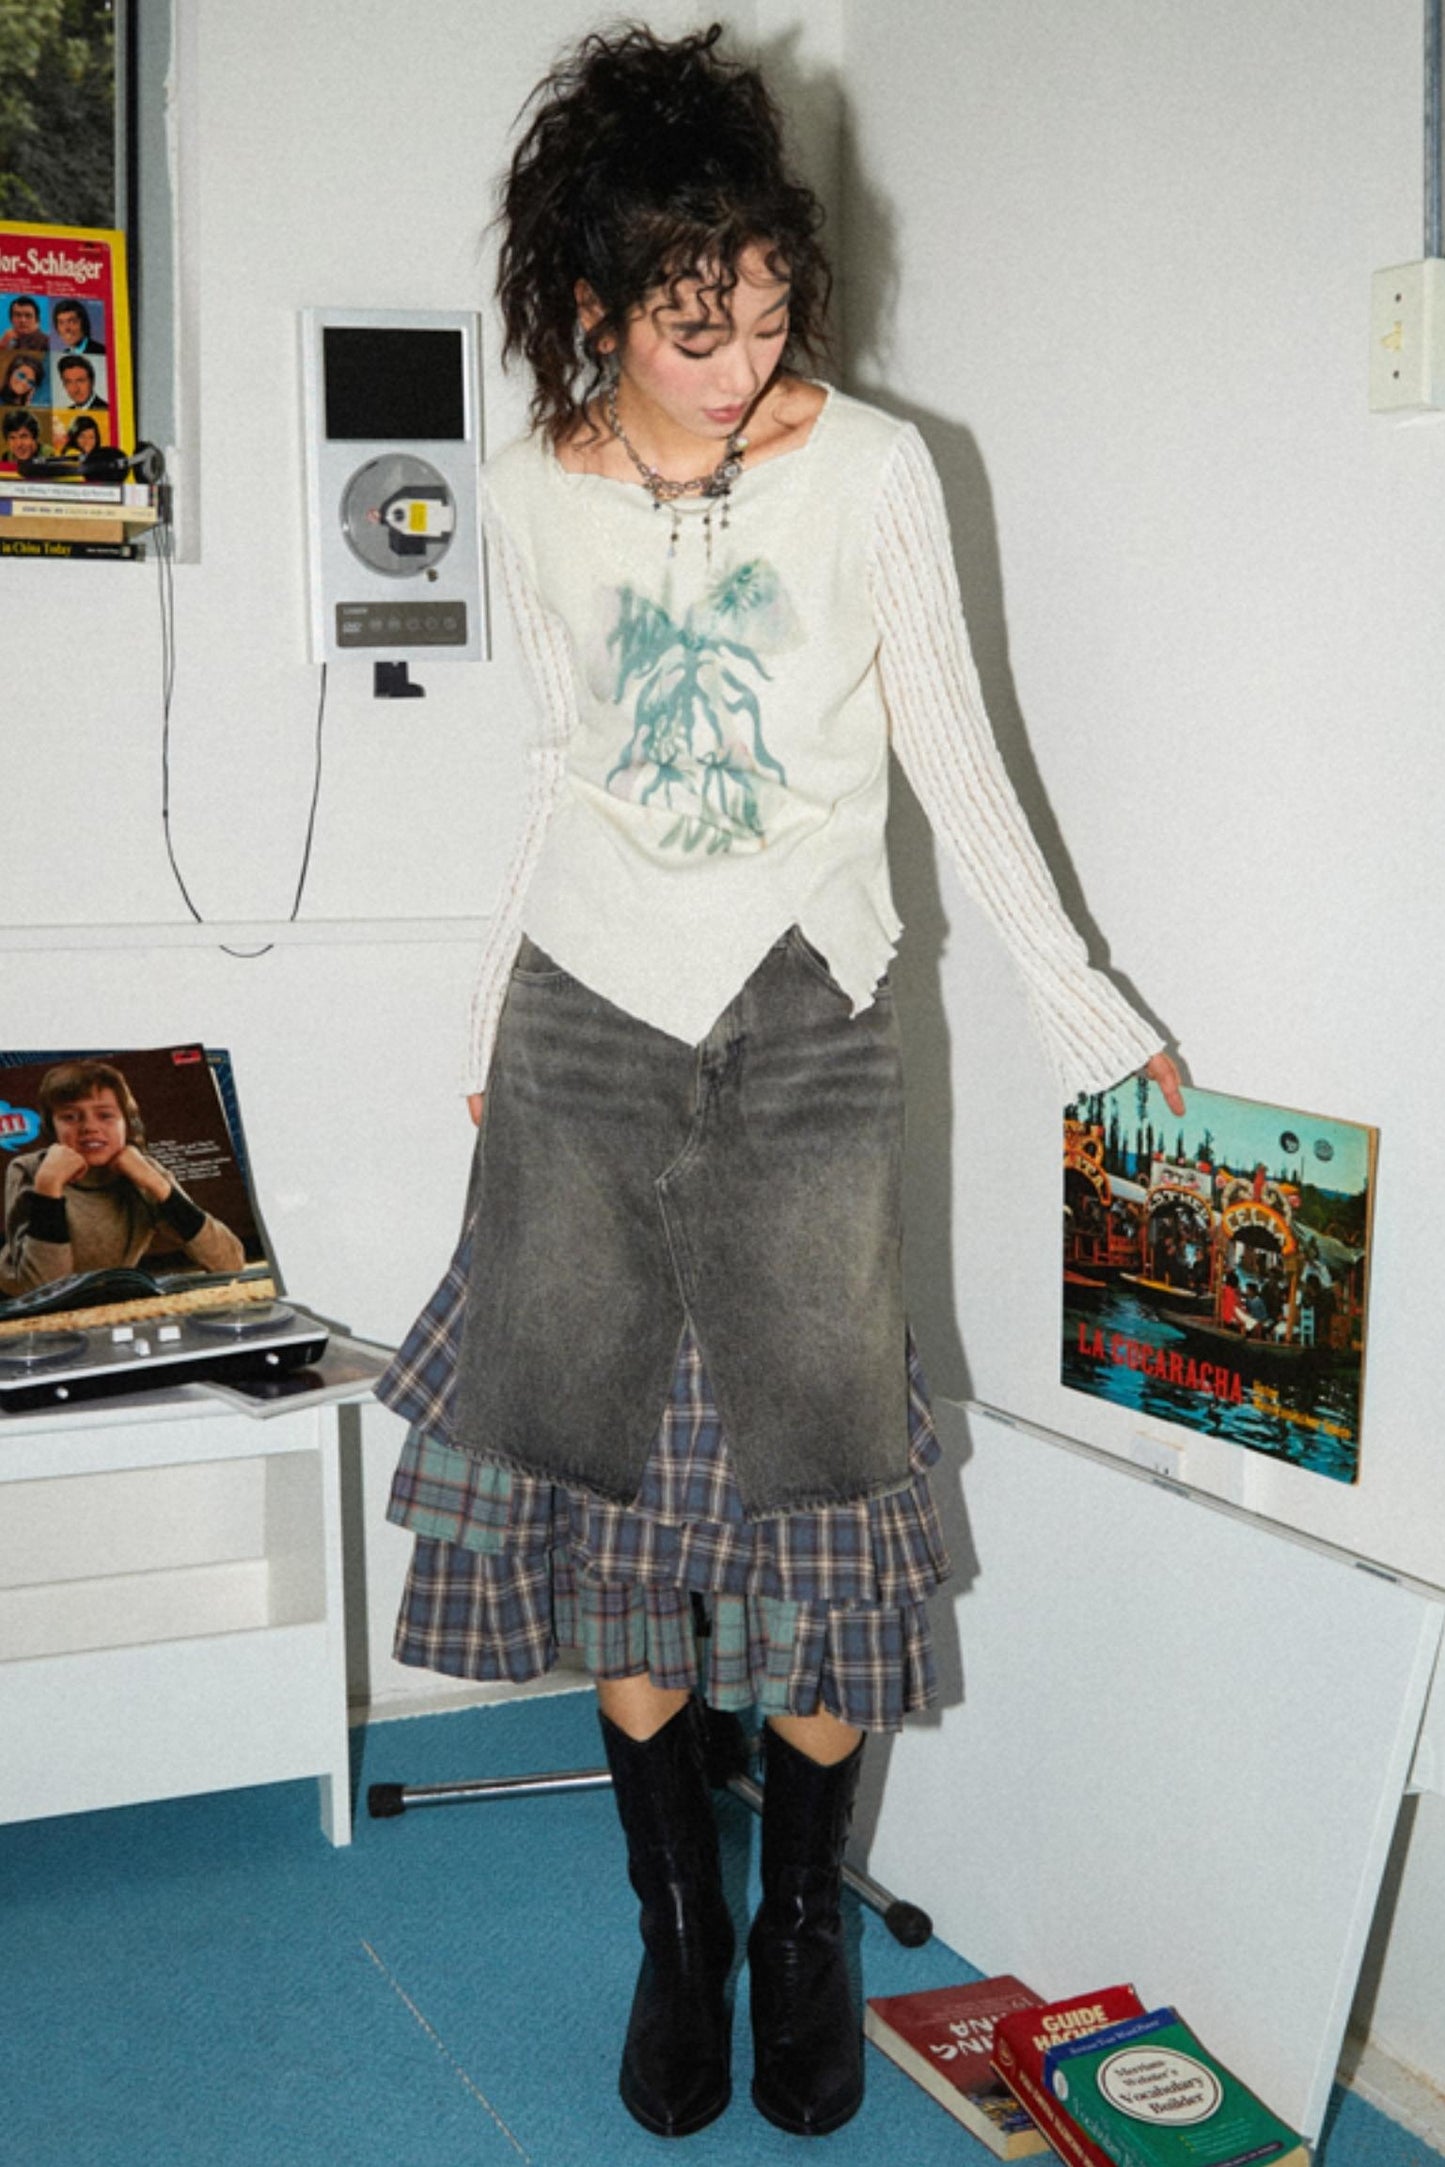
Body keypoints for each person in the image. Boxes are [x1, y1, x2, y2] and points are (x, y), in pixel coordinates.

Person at [376, 23, 1185, 2145]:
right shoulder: (525, 490)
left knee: (831, 1504)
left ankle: (803, 1926)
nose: (737, 361)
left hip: (810, 1016)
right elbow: (551, 775)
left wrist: (1084, 1009)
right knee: (604, 1498)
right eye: (689, 323)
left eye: (760, 307)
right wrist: (480, 1036)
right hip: (582, 1025)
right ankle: (677, 1923)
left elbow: (952, 756)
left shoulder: (874, 470)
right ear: (591, 305)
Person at [0, 1061, 246, 1292]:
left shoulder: (144, 1171)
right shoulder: (30, 1169)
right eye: (70, 1117)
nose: (89, 1127)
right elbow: (42, 1290)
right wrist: (48, 1187)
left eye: (105, 1115)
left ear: (127, 1124)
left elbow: (230, 1263)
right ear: (52, 1127)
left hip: (107, 1296)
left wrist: (158, 1185)